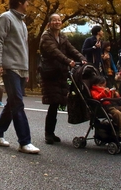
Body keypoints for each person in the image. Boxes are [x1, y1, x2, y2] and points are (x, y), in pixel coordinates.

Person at [0, 0, 39, 154]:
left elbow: (23, 48)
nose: (28, 5)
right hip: (9, 67)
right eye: (27, 2)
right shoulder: (6, 18)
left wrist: (26, 71)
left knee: (13, 102)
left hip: (20, 69)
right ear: (20, 2)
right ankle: (25, 141)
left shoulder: (23, 23)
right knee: (17, 102)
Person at [39, 13, 85, 144]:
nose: (57, 22)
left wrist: (82, 59)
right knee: (53, 102)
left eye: (59, 20)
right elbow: (54, 52)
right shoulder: (46, 37)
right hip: (50, 73)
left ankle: (51, 132)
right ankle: (48, 133)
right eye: (54, 20)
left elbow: (71, 49)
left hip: (61, 73)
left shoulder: (63, 37)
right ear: (49, 23)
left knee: (59, 101)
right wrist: (68, 61)